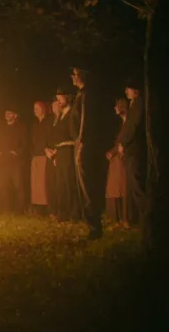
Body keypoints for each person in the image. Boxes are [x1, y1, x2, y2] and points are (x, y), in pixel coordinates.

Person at [70, 67, 104, 240]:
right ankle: (91, 224)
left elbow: (86, 119)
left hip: (84, 145)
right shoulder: (80, 94)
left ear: (82, 75)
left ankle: (94, 226)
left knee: (87, 185)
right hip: (79, 143)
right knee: (83, 186)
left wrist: (82, 142)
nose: (72, 77)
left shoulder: (87, 95)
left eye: (75, 74)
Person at [117, 78, 147, 226]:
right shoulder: (134, 105)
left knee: (136, 184)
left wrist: (123, 143)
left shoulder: (139, 104)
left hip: (135, 150)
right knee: (132, 185)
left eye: (128, 88)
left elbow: (133, 126)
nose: (125, 91)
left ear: (135, 90)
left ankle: (147, 216)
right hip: (130, 150)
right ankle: (136, 218)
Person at [50, 89, 81, 221]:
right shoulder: (60, 116)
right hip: (60, 151)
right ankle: (62, 213)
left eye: (60, 98)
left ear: (67, 98)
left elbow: (75, 133)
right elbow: (55, 134)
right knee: (60, 183)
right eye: (57, 98)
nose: (58, 101)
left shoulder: (72, 113)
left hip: (69, 149)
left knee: (69, 182)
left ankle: (74, 213)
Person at [0, 108, 28, 212]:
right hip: (3, 162)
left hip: (15, 162)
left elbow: (25, 144)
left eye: (10, 113)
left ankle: (20, 210)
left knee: (18, 186)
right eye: (6, 113)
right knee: (3, 187)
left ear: (15, 115)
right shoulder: (2, 128)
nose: (7, 115)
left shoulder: (21, 128)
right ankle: (6, 209)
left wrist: (17, 152)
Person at [105, 98, 129, 226]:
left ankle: (125, 217)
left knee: (123, 187)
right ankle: (117, 215)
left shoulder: (128, 123)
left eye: (117, 106)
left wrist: (114, 151)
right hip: (117, 158)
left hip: (123, 159)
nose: (115, 108)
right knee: (117, 186)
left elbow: (123, 141)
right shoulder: (123, 123)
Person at [30, 100, 56, 215]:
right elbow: (34, 140)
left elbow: (49, 138)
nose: (35, 110)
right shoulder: (35, 124)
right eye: (34, 108)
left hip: (45, 155)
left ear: (43, 109)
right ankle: (39, 207)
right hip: (36, 155)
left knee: (44, 183)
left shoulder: (49, 122)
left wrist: (46, 149)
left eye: (37, 108)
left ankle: (48, 207)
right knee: (37, 184)